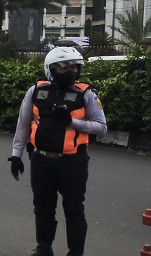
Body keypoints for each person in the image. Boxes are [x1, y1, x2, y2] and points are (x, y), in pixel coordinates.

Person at [8, 47, 107, 256]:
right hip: (41, 160)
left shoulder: (86, 93)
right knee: (43, 208)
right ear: (51, 69)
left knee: (74, 210)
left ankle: (75, 252)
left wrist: (72, 122)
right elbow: (23, 125)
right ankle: (44, 248)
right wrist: (16, 155)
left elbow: (101, 127)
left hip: (73, 162)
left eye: (75, 67)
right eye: (65, 67)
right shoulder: (35, 91)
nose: (71, 71)